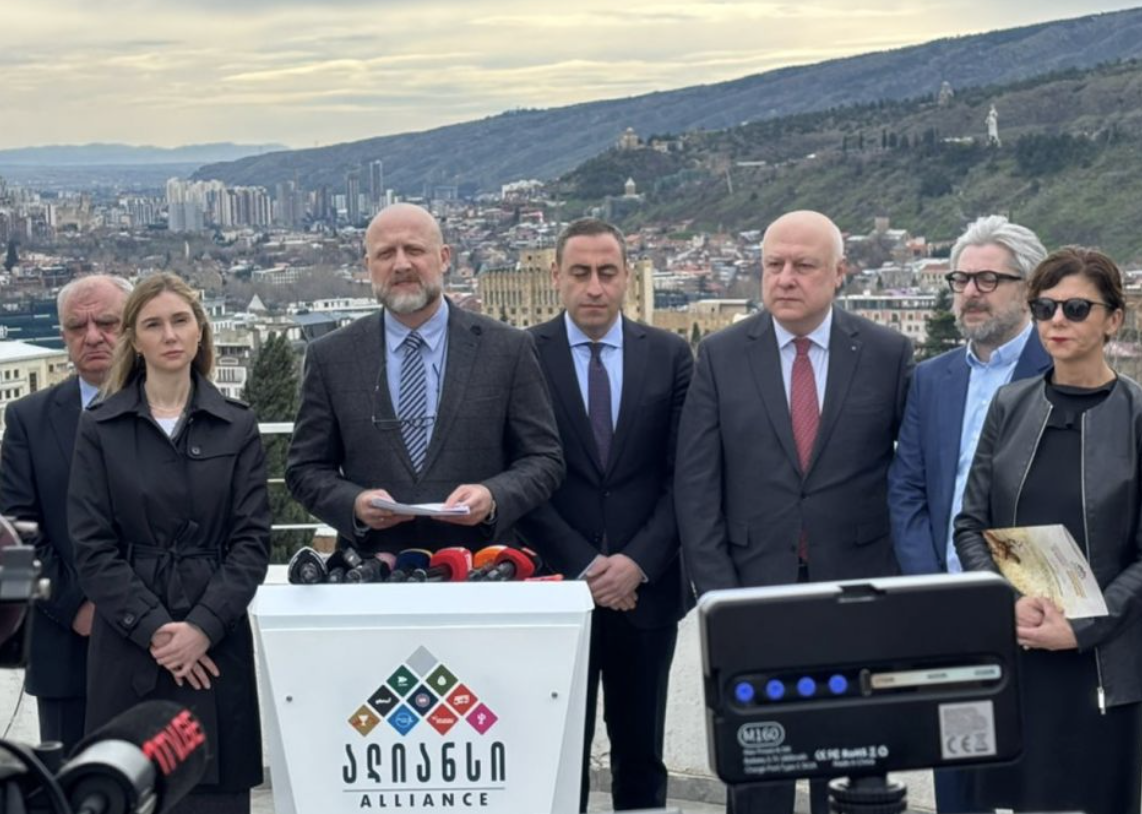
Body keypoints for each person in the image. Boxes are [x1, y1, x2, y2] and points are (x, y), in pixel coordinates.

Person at [674, 210, 912, 814]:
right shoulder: (722, 355)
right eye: (773, 264)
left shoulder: (887, 353)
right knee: (760, 767)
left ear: (839, 273)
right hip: (752, 592)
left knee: (854, 766)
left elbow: (910, 477)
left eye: (803, 266)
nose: (785, 278)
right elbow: (696, 486)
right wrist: (720, 597)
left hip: (858, 593)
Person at [68, 273, 270, 814]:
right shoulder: (100, 427)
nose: (170, 335)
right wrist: (158, 631)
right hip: (130, 645)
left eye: (181, 321)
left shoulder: (236, 426)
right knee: (128, 791)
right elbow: (92, 546)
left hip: (215, 644)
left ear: (200, 331)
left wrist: (202, 628)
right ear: (134, 339)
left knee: (215, 795)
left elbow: (251, 542)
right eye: (154, 325)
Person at [954, 247, 1142, 814]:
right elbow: (971, 524)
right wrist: (1006, 603)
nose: (1057, 320)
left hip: (1102, 666)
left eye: (1076, 308)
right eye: (1044, 307)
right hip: (1017, 652)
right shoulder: (1010, 405)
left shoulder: (1136, 415)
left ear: (1113, 320)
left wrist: (1081, 628)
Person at [518, 218, 693, 812]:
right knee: (555, 756)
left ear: (627, 277)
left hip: (648, 592)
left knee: (641, 758)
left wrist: (636, 563)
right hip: (553, 587)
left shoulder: (669, 355)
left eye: (607, 273)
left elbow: (685, 475)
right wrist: (586, 566)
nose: (594, 287)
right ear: (555, 276)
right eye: (580, 272)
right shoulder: (521, 355)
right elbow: (518, 475)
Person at [286, 203, 563, 554]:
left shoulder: (509, 348)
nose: (401, 264)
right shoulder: (330, 357)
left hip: (483, 569)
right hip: (373, 570)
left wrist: (493, 497)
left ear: (444, 257)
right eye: (386, 254)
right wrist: (353, 504)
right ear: (368, 266)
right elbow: (305, 469)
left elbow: (544, 460)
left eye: (414, 250)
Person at [887, 216, 1049, 812]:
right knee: (958, 771)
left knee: (1038, 777)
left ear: (1028, 288)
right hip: (948, 606)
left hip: (1035, 607)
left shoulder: (1058, 369)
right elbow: (907, 489)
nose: (971, 292)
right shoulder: (933, 378)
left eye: (988, 279)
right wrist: (930, 584)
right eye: (961, 279)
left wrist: (1023, 591)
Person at [0, 275, 130, 752]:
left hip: (165, 643)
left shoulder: (175, 408)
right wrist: (76, 606)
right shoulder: (28, 420)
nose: (92, 336)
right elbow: (16, 530)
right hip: (68, 648)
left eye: (107, 323)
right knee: (74, 784)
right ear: (63, 337)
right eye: (78, 326)